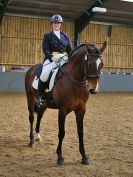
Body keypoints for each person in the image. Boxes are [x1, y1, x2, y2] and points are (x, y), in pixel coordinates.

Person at [38, 14, 72, 106]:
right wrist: (52, 57)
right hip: (52, 58)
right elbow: (45, 50)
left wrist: (71, 58)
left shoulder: (65, 36)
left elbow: (70, 50)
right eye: (55, 23)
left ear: (61, 24)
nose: (56, 24)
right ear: (52, 24)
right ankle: (41, 96)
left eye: (58, 23)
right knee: (45, 73)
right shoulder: (48, 36)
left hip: (64, 58)